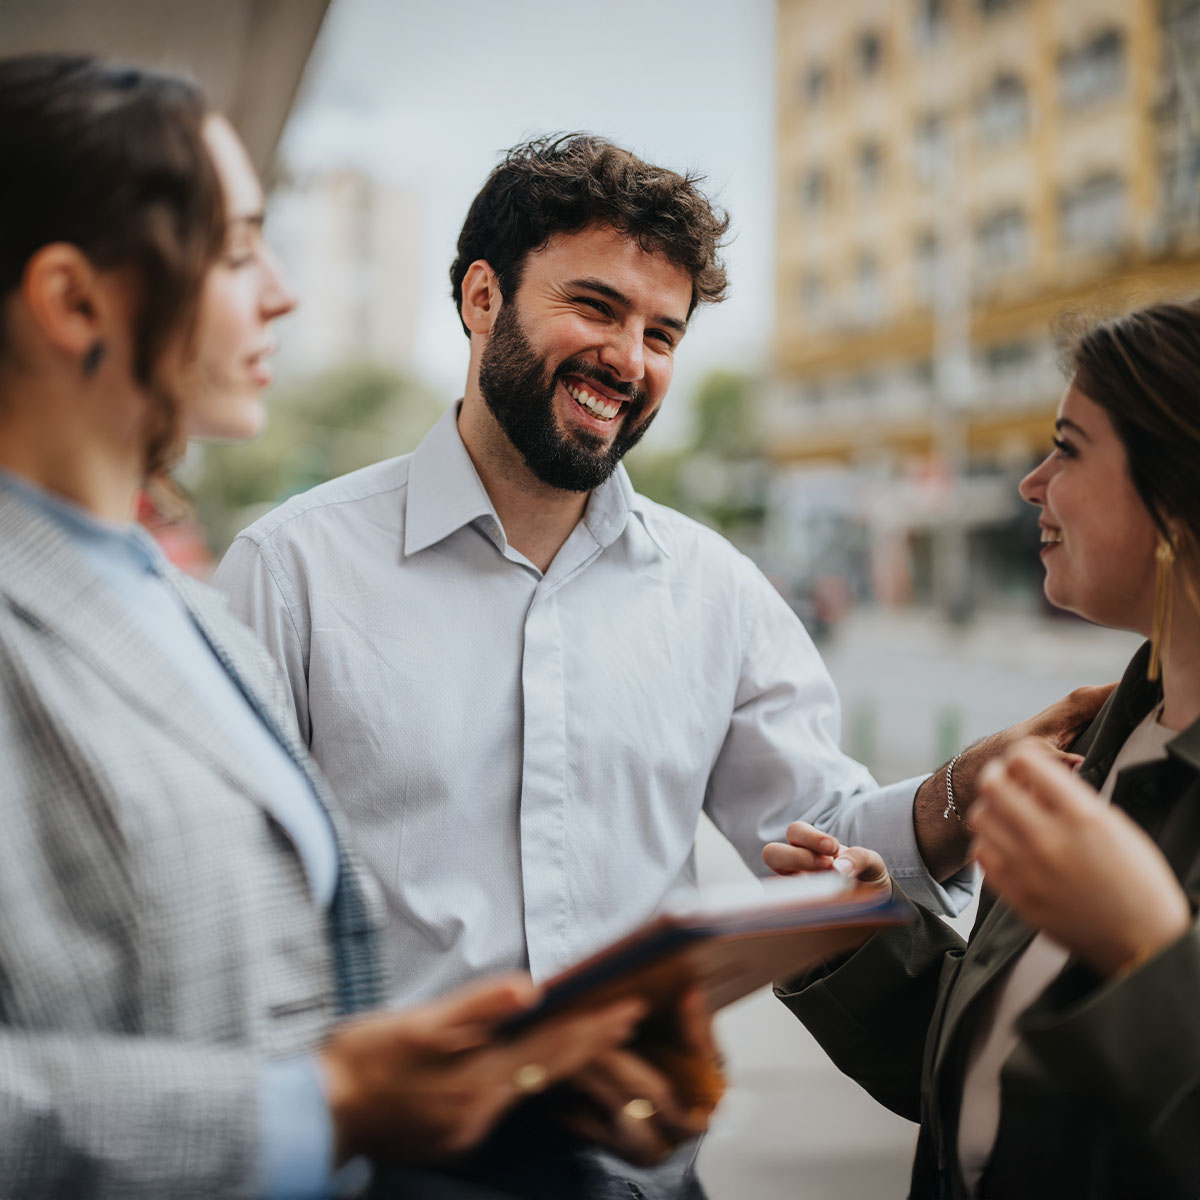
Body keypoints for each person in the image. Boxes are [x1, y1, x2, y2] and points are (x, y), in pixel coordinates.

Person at [214, 134, 1105, 1199]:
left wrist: (966, 790)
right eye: (595, 307)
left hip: (641, 1177)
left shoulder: (715, 590)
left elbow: (814, 837)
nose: (627, 360)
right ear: (482, 298)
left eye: (661, 333)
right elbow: (224, 914)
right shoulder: (292, 569)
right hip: (379, 1173)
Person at [0, 54, 716, 1200]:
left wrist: (514, 1094)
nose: (278, 291)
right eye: (236, 251)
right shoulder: (273, 571)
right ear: (76, 301)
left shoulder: (175, 608)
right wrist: (319, 1109)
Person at [771, 298, 1200, 1200]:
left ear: (1178, 499)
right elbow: (996, 1078)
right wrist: (857, 937)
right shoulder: (1105, 735)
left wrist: (1152, 956)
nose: (1032, 483)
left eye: (1070, 447)